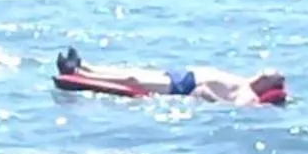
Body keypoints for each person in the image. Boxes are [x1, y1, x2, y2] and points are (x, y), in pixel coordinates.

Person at [57, 47, 286, 106]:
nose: (261, 74)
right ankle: (85, 66)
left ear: (268, 85)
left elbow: (228, 105)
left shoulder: (248, 96)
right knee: (131, 72)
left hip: (186, 84)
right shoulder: (244, 80)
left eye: (267, 76)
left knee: (133, 81)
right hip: (184, 74)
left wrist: (206, 94)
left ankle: (77, 72)